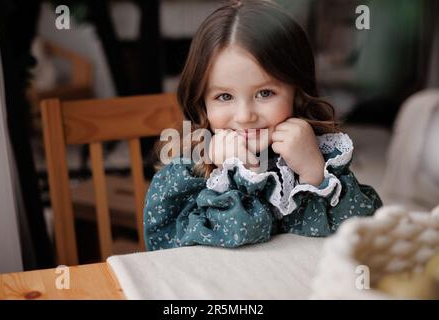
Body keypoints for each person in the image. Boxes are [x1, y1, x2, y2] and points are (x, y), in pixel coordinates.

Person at [143, 0, 382, 251]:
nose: (245, 116)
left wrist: (315, 174)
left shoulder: (315, 152)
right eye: (224, 96)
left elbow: (366, 232)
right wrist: (235, 176)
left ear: (297, 93)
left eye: (265, 93)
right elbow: (182, 250)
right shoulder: (187, 171)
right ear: (202, 102)